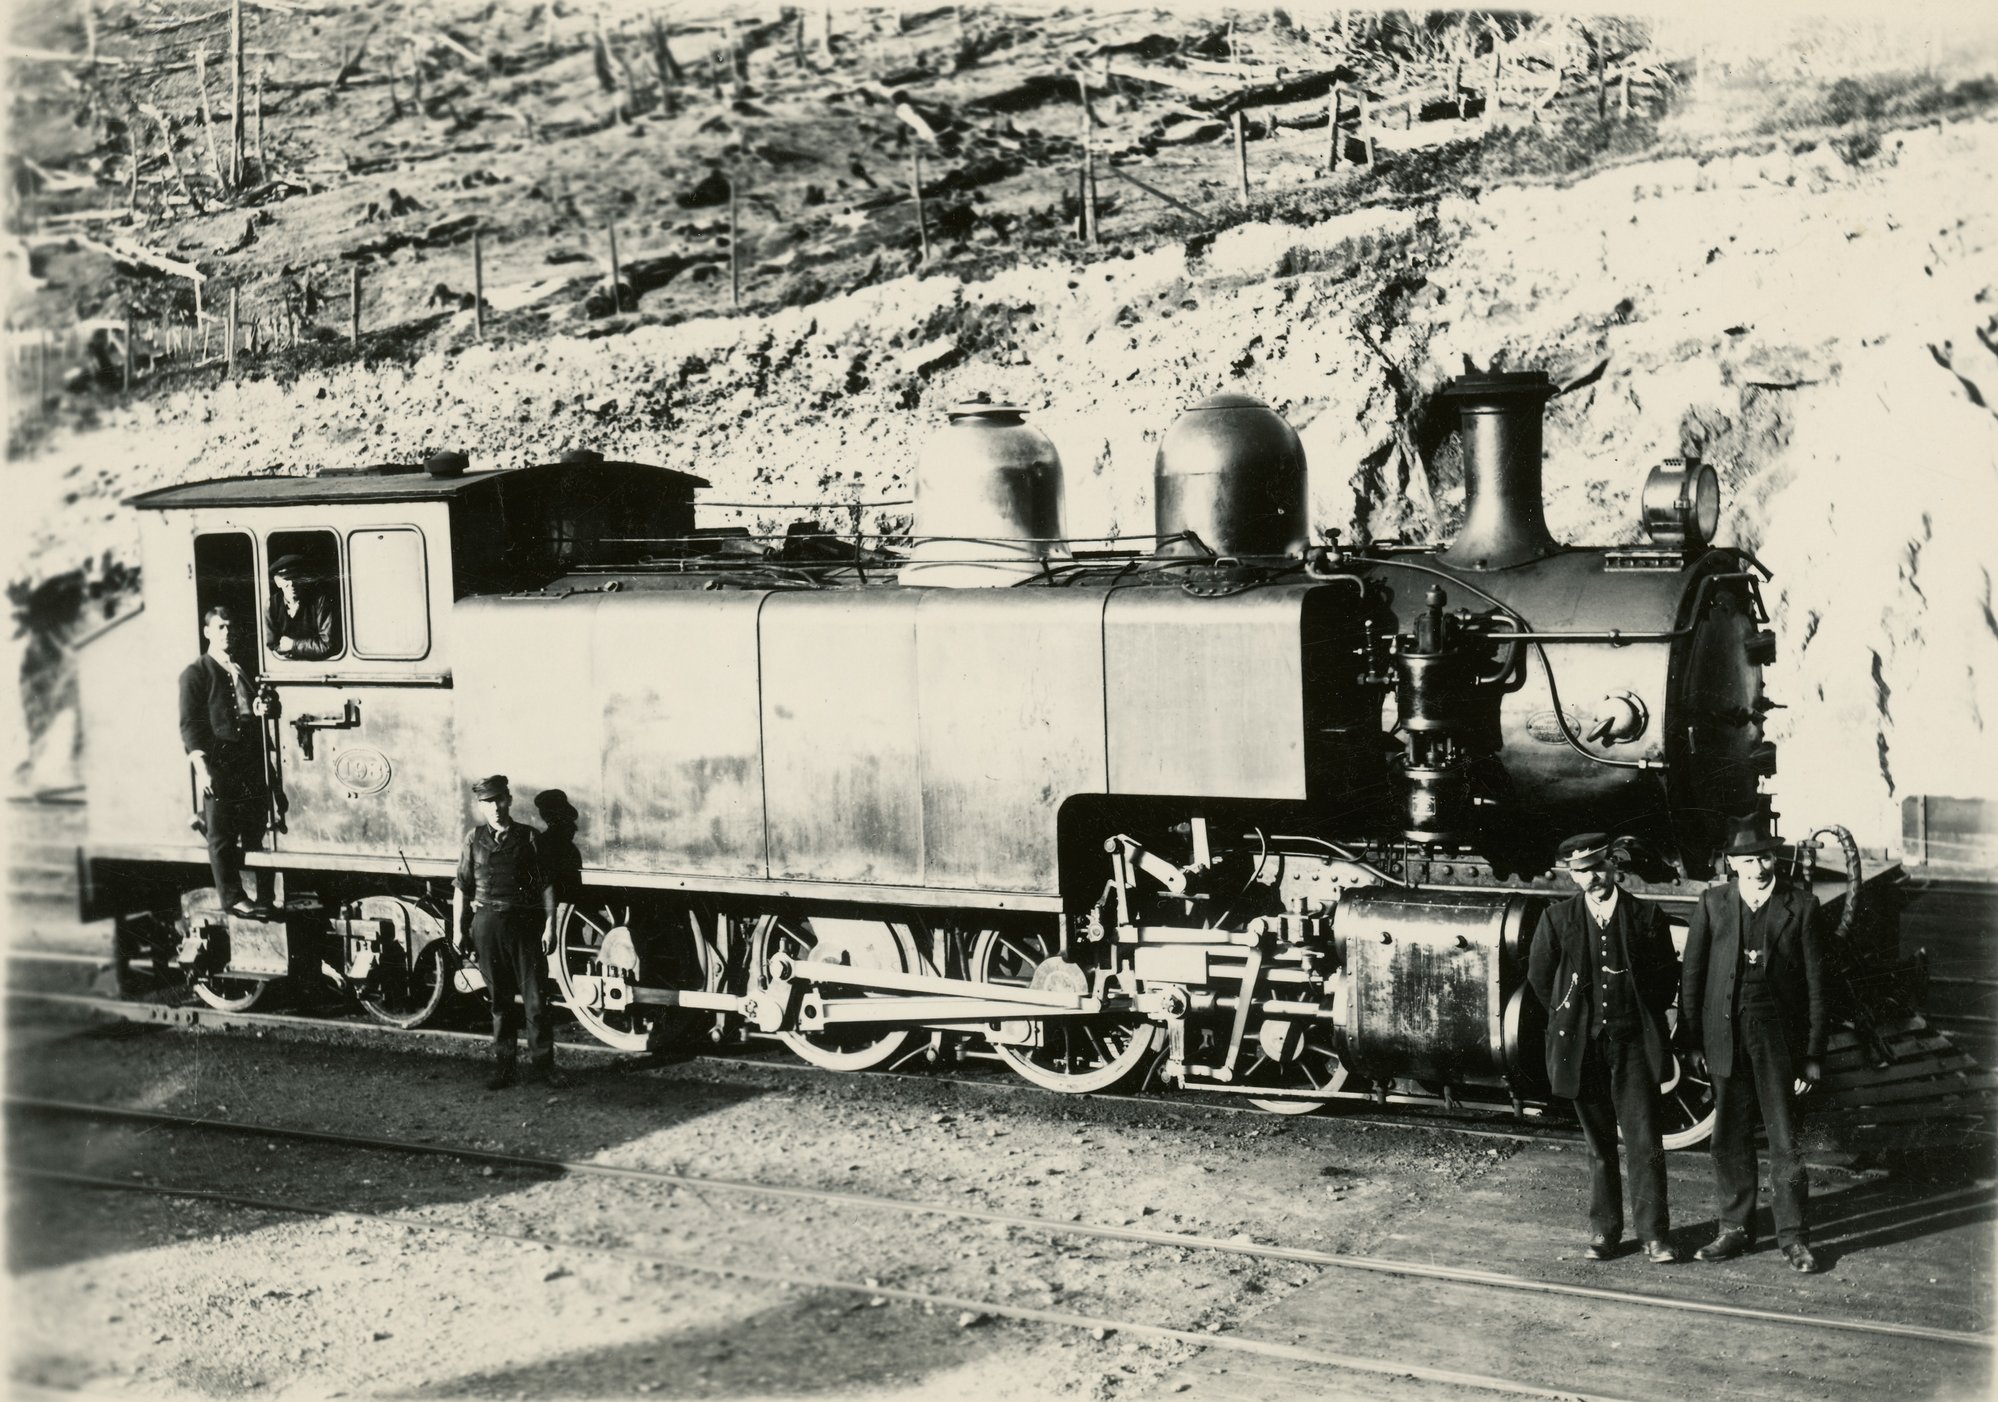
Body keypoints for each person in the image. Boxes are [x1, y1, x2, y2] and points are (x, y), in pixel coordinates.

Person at [1681, 812, 1826, 1273]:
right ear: (1732, 863)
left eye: (1764, 856)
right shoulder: (1711, 904)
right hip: (1726, 1036)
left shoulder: (1801, 906)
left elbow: (1820, 990)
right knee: (1729, 1137)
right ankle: (1735, 1230)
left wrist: (1812, 1058)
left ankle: (1794, 1238)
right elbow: (1693, 977)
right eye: (1747, 860)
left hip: (1778, 1042)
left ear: (1774, 857)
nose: (1758, 867)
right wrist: (1692, 1043)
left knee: (1786, 1140)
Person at [1528, 833, 1681, 1264]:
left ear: (1612, 865)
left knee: (1645, 1142)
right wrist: (1573, 1019)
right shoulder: (1556, 920)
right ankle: (1605, 1233)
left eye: (1597, 867)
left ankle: (1654, 1236)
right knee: (1599, 1147)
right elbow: (1543, 980)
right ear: (1571, 876)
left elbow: (1665, 978)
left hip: (1633, 1046)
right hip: (1583, 1049)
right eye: (1581, 871)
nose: (1592, 877)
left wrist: (1639, 1018)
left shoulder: (1646, 915)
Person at [453, 775, 562, 1091]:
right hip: (487, 925)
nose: (496, 807)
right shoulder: (473, 840)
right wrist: (458, 929)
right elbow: (462, 886)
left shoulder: (529, 838)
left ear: (509, 800)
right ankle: (504, 1068)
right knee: (499, 1002)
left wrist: (550, 926)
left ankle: (544, 1068)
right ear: (481, 806)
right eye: (488, 802)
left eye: (500, 799)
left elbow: (546, 885)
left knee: (536, 1002)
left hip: (525, 926)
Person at [177, 605, 269, 918]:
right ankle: (232, 899)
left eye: (230, 627)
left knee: (249, 821)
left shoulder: (237, 668)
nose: (226, 633)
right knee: (220, 834)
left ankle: (262, 894)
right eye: (220, 628)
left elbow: (242, 706)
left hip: (244, 755)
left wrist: (256, 708)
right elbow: (190, 725)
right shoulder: (196, 672)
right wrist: (202, 770)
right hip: (217, 759)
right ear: (207, 632)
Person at [266, 554, 338, 660]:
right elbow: (271, 646)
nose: (291, 584)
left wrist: (292, 645)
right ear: (278, 582)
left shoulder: (320, 601)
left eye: (296, 578)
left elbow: (327, 645)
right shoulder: (271, 604)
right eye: (286, 579)